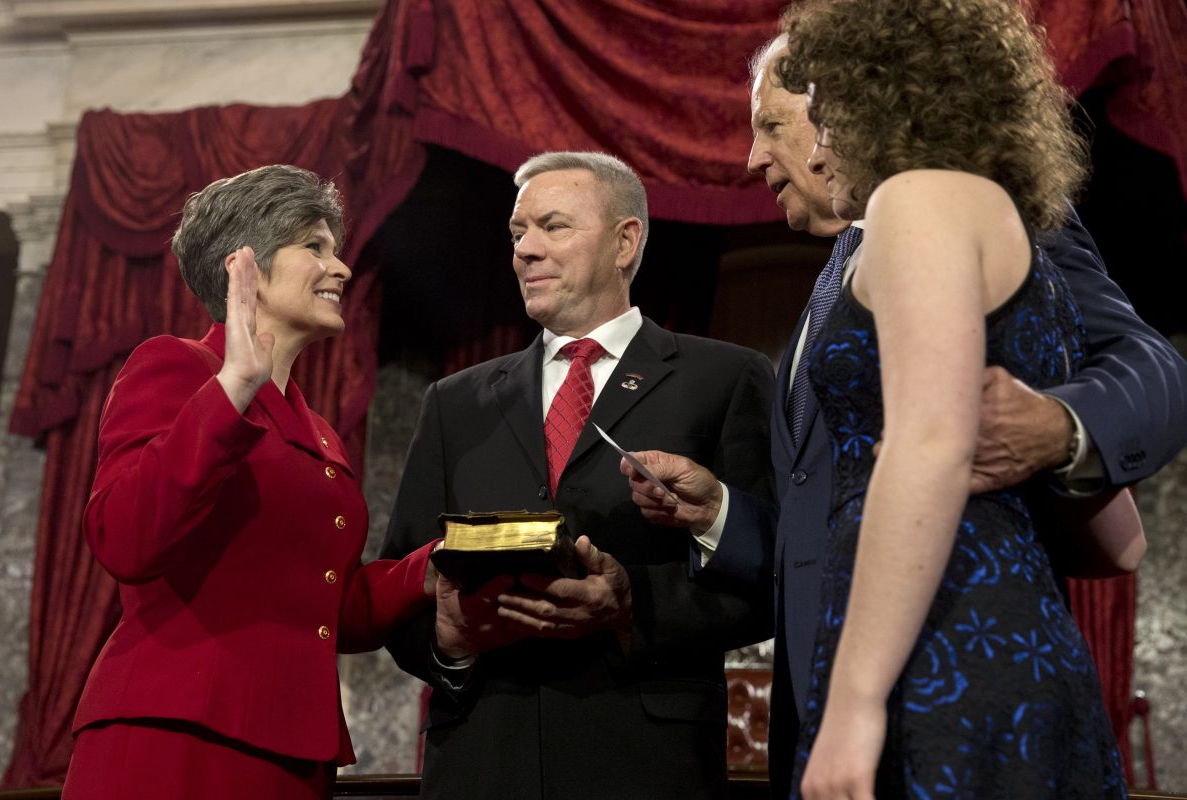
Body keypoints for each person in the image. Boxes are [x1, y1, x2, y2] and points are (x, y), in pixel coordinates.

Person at [624, 17, 1187, 798]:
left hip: (939, 659)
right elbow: (1117, 542)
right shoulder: (981, 222)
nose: (800, 149)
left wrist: (852, 709)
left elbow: (929, 445)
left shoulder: (923, 204)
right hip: (1004, 644)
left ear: (878, 95)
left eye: (809, 114)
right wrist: (720, 512)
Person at [378, 151, 775, 800]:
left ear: (626, 241)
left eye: (553, 227)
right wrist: (449, 639)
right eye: (516, 233)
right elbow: (402, 586)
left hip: (646, 765)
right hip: (483, 762)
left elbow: (768, 576)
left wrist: (631, 607)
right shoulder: (455, 401)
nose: (526, 250)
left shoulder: (724, 380)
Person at [62, 165, 441, 800]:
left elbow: (322, 606)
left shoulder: (319, 431)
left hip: (293, 755)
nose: (342, 269)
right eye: (314, 247)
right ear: (248, 266)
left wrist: (433, 567)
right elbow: (125, 538)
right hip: (176, 742)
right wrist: (232, 388)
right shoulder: (177, 367)